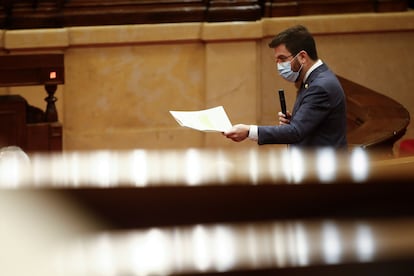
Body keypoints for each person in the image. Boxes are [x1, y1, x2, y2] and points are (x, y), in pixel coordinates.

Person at [224, 24, 347, 149]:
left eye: (282, 59)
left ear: (302, 57)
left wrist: (249, 131)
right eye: (276, 60)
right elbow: (312, 125)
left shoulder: (320, 86)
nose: (279, 65)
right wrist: (296, 120)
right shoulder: (314, 79)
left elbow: (295, 132)